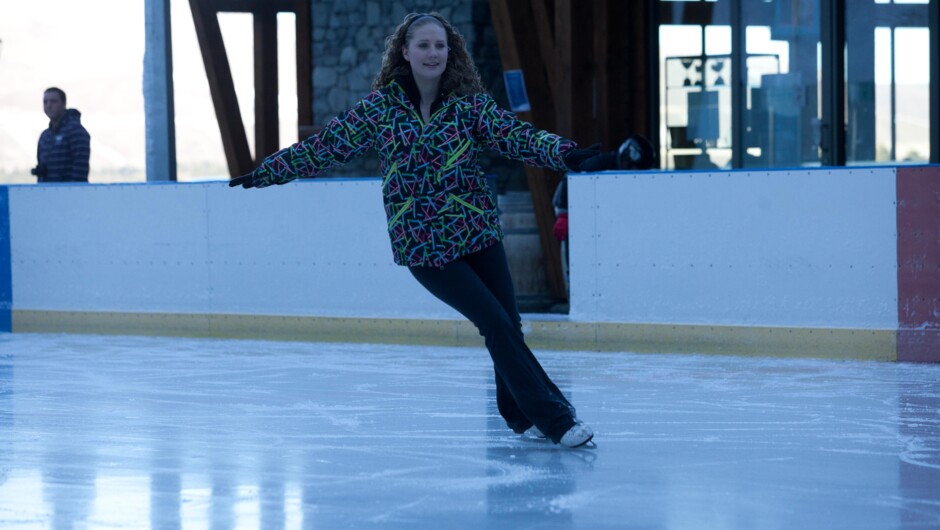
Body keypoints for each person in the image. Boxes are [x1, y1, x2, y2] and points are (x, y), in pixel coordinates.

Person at [230, 12, 605, 448]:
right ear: (404, 52)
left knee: (508, 325)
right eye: (423, 45)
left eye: (440, 46)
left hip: (477, 230)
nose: (433, 54)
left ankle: (519, 415)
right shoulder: (382, 109)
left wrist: (567, 154)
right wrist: (270, 170)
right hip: (424, 245)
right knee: (494, 322)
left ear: (451, 52)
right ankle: (556, 419)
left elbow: (514, 136)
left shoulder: (468, 105)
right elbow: (327, 145)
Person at [32, 87, 91, 183]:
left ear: (64, 104)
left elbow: (80, 171)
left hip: (68, 194)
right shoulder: (45, 136)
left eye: (53, 101)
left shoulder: (76, 132)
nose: (49, 105)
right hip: (47, 193)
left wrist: (69, 192)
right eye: (45, 102)